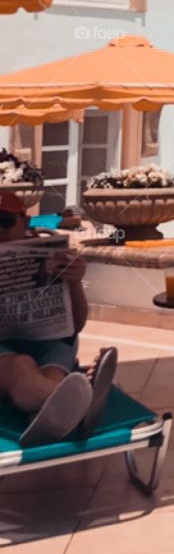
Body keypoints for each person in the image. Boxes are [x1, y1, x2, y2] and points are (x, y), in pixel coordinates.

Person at [0, 192, 116, 447]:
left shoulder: (51, 254)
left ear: (23, 221)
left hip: (49, 343)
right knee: (20, 366)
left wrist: (74, 283)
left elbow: (76, 325)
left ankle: (42, 417)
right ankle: (86, 403)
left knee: (52, 372)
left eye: (4, 221)